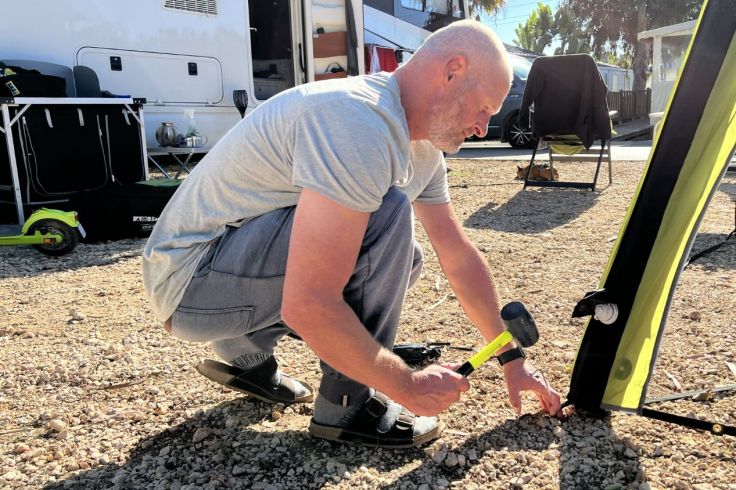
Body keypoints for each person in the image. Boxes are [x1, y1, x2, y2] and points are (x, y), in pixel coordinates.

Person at [143, 20, 561, 448]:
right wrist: (406, 386)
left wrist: (510, 356)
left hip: (217, 281)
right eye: (484, 108)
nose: (482, 126)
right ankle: (349, 404)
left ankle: (246, 348)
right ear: (452, 70)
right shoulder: (360, 121)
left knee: (405, 257)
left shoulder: (419, 147)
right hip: (192, 285)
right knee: (387, 213)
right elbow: (309, 302)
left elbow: (456, 255)